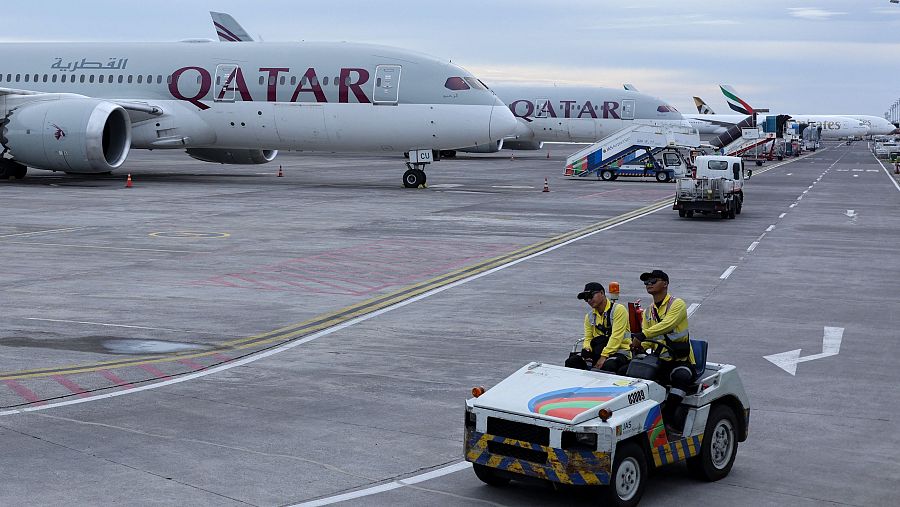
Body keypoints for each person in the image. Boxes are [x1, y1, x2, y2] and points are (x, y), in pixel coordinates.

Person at [630, 270, 695, 434]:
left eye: (653, 280)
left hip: (680, 361)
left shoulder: (677, 304)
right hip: (659, 361)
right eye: (646, 282)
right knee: (628, 372)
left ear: (665, 283)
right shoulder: (648, 312)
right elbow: (646, 338)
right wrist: (638, 346)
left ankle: (667, 419)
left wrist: (643, 335)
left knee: (682, 377)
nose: (649, 284)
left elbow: (667, 324)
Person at [568, 282, 631, 374]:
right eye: (586, 298)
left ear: (602, 293)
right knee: (572, 361)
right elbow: (588, 338)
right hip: (598, 351)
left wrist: (604, 356)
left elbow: (616, 337)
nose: (589, 300)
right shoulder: (589, 316)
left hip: (620, 351)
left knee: (609, 366)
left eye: (590, 296)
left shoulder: (619, 310)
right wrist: (587, 349)